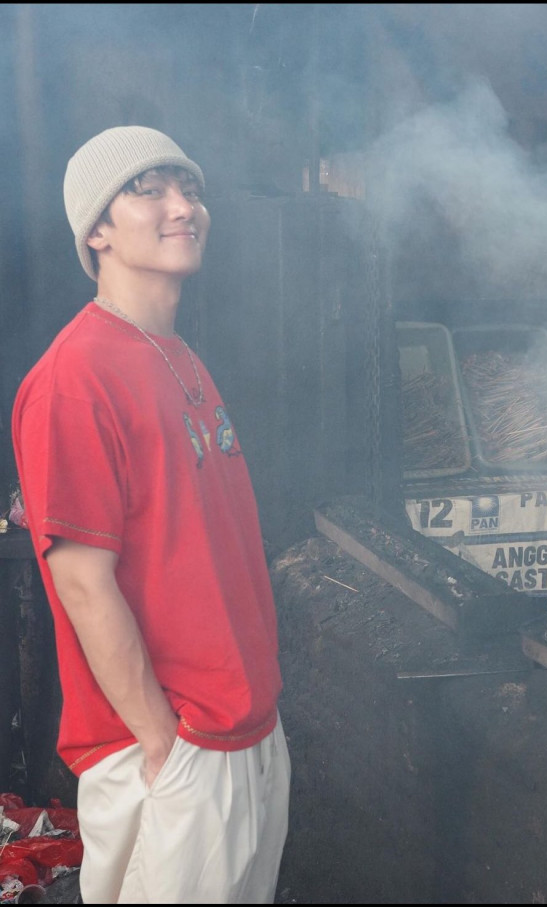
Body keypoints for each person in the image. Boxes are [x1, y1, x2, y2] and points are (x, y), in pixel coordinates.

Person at [11, 126, 291, 904]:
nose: (183, 206)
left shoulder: (181, 357)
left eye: (190, 188)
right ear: (95, 230)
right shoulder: (75, 376)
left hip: (244, 724)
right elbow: (83, 584)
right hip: (178, 743)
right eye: (150, 189)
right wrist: (166, 742)